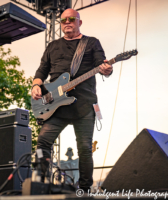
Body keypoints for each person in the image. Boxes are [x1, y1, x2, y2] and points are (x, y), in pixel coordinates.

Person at [31, 8, 113, 191]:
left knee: (84, 148)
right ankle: (38, 184)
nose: (67, 22)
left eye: (71, 19)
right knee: (43, 141)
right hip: (55, 105)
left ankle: (84, 189)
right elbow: (42, 70)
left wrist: (107, 69)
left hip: (84, 105)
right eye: (63, 20)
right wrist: (36, 85)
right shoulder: (52, 46)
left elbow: (102, 63)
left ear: (79, 22)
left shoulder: (91, 43)